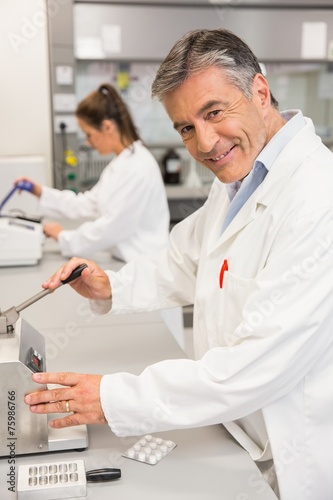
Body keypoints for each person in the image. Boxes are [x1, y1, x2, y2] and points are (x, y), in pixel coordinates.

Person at [24, 29, 333, 500]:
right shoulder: (239, 173)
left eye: (214, 112)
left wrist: (110, 397)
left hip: (287, 453)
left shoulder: (317, 198)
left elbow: (251, 369)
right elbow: (184, 260)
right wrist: (115, 286)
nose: (205, 142)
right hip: (229, 428)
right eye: (186, 128)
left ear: (260, 92)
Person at [16, 83, 170, 262]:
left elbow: (112, 228)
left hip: (145, 265)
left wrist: (63, 236)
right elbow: (88, 203)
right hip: (127, 261)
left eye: (88, 134)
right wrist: (40, 192)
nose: (88, 142)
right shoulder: (121, 163)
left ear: (107, 127)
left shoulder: (137, 167)